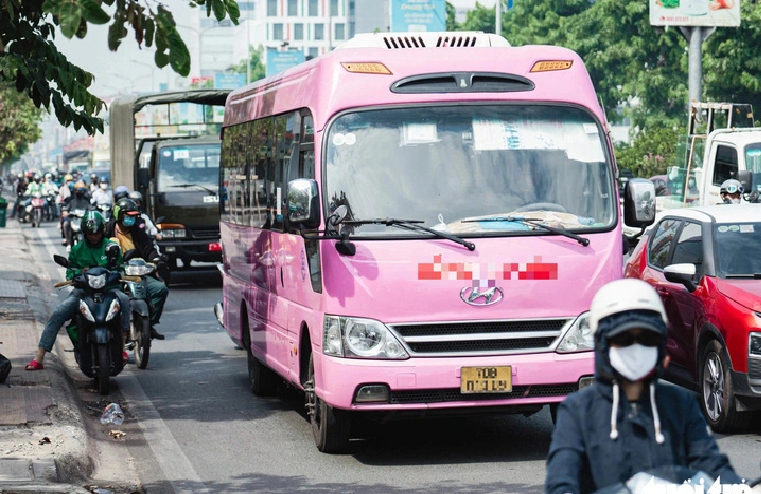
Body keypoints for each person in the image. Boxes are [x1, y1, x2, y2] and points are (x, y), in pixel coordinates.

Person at [545, 279, 751, 494]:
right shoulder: (578, 410)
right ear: (603, 345)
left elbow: (713, 465)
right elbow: (561, 481)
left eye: (647, 339)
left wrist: (739, 488)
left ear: (661, 346)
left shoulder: (680, 405)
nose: (636, 348)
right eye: (623, 338)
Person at [24, 211, 130, 370]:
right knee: (58, 313)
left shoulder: (111, 247)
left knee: (125, 301)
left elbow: (120, 267)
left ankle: (122, 348)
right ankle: (39, 356)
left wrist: (116, 272)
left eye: (97, 233)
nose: (94, 237)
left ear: (102, 231)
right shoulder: (77, 250)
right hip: (83, 292)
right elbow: (70, 271)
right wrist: (78, 274)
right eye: (90, 234)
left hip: (109, 290)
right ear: (84, 233)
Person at [107, 198, 168, 340]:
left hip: (137, 272)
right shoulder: (108, 230)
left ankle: (149, 324)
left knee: (160, 289)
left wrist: (156, 260)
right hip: (114, 274)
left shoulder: (137, 232)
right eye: (128, 215)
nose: (131, 219)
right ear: (119, 215)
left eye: (133, 216)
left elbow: (149, 248)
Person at [62, 180, 95, 251]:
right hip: (73, 220)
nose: (79, 192)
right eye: (78, 191)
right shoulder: (70, 200)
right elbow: (65, 209)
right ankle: (69, 243)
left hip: (83, 220)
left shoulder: (86, 200)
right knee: (66, 224)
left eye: (81, 191)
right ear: (74, 191)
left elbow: (91, 208)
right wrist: (66, 212)